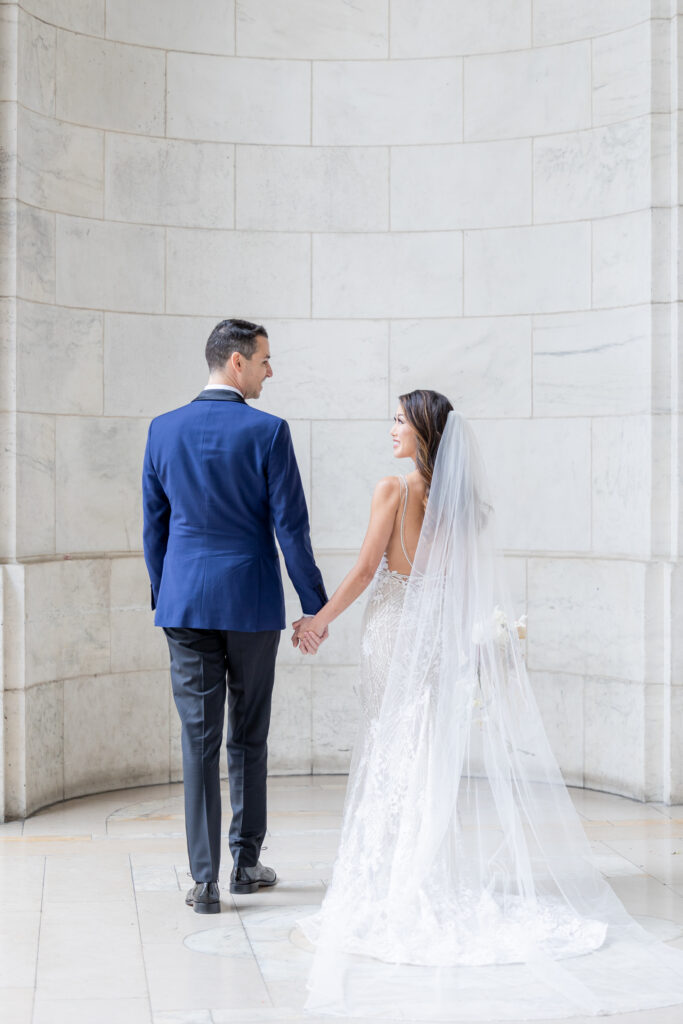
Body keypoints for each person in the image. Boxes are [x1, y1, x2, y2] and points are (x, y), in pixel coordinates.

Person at [295, 390, 683, 1020]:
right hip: (436, 645)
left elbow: (368, 571)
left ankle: (391, 879)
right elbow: (459, 590)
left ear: (423, 433)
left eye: (399, 421)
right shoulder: (460, 510)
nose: (390, 430)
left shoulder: (392, 491)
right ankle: (417, 870)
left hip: (392, 634)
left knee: (392, 748)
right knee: (423, 752)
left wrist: (320, 620)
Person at [142, 319, 327, 914]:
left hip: (186, 603)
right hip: (250, 603)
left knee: (198, 741)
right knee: (248, 734)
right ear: (236, 363)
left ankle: (205, 882)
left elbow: (155, 528)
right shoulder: (269, 432)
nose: (272, 371)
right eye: (266, 360)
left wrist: (163, 592)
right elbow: (291, 530)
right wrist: (314, 606)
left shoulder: (162, 430)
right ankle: (246, 863)